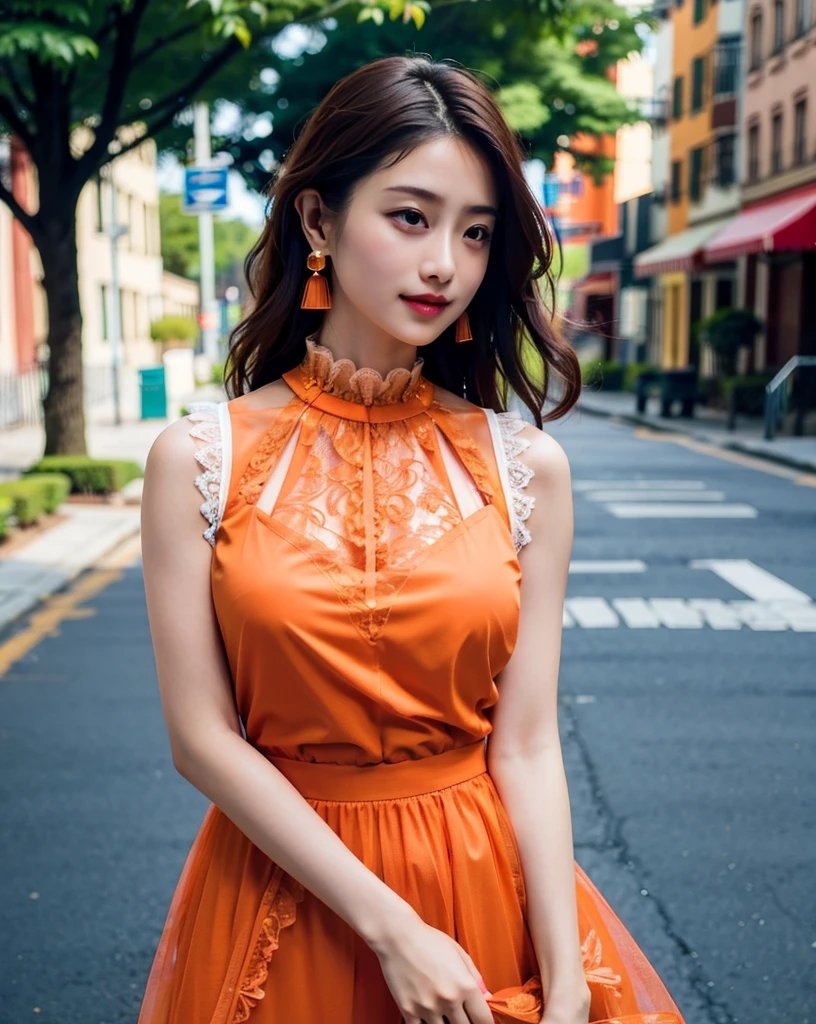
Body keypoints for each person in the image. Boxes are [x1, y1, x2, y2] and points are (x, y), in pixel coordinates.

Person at [138, 55, 685, 1024]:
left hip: (484, 893)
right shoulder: (198, 457)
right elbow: (202, 741)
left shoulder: (525, 470)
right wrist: (392, 928)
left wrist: (563, 978)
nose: (447, 263)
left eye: (476, 233)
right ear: (317, 222)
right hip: (285, 895)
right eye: (411, 216)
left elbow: (524, 743)